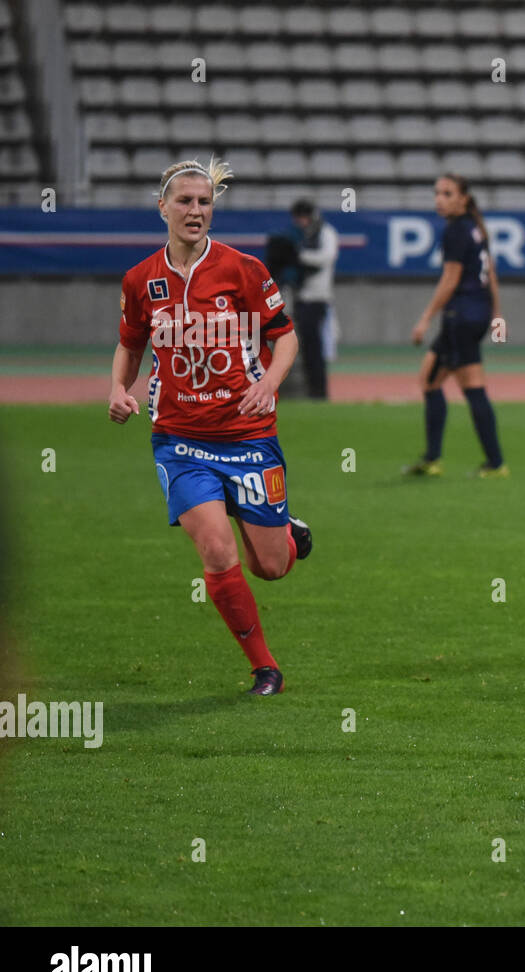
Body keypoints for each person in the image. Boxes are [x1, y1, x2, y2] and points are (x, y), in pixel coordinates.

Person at [108, 156, 312, 697]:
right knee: (218, 552)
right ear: (162, 208)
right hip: (179, 440)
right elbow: (130, 345)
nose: (195, 210)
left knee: (270, 567)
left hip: (249, 437)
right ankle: (265, 668)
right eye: (185, 201)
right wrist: (117, 390)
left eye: (204, 202)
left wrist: (269, 381)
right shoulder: (140, 280)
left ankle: (289, 534)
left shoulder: (245, 269)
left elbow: (285, 336)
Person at [406, 173, 507, 478]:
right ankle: (433, 458)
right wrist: (497, 313)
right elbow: (490, 275)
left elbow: (450, 280)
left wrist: (424, 318)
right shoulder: (475, 228)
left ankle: (495, 463)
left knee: (472, 388)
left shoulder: (456, 231)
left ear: (463, 198)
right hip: (474, 314)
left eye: (447, 193)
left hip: (460, 316)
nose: (440, 199)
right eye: (437, 193)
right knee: (430, 379)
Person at [288, 197, 338, 399]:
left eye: (303, 217)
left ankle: (320, 392)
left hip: (317, 298)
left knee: (316, 349)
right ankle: (311, 391)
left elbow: (327, 257)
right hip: (301, 297)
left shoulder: (325, 233)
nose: (301, 221)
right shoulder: (301, 236)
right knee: (306, 350)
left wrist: (299, 256)